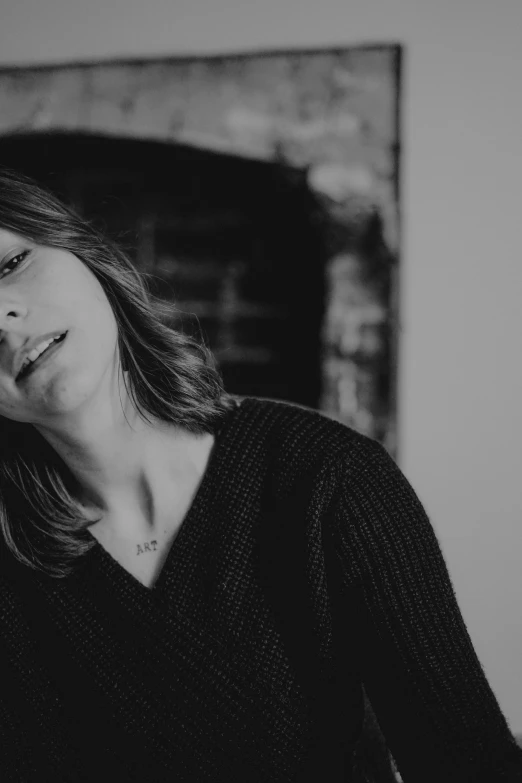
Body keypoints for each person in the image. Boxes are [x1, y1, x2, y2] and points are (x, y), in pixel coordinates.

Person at [0, 166, 520, 783]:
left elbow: (468, 763)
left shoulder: (328, 480)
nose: (3, 316)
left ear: (85, 255)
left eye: (10, 265)